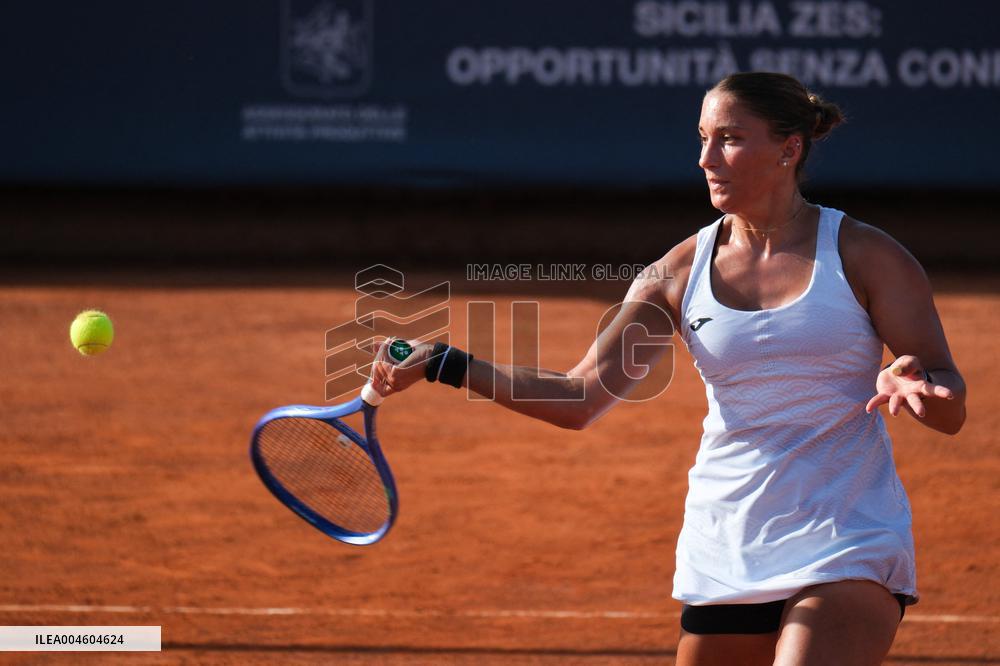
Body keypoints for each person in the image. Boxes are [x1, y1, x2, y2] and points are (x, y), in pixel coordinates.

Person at [370, 72, 967, 665]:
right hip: (727, 540)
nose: (707, 158)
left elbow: (949, 407)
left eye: (730, 138)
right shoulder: (675, 273)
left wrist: (923, 386)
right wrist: (444, 361)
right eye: (702, 138)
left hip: (849, 536)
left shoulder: (867, 256)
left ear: (790, 149)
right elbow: (578, 397)